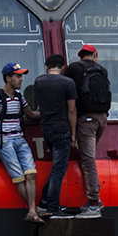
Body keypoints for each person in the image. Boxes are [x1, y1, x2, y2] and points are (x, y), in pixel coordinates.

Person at [0, 63, 43, 224]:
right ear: (8, 78)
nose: (21, 79)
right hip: (4, 141)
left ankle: (32, 211)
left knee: (31, 173)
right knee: (19, 177)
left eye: (21, 76)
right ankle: (34, 210)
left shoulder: (19, 96)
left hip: (19, 139)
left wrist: (51, 112)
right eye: (17, 76)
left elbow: (31, 114)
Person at [64, 44, 110, 215]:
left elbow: (70, 100)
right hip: (102, 119)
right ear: (95, 55)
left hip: (86, 120)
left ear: (81, 56)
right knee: (89, 157)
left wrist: (72, 130)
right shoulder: (102, 70)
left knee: (88, 160)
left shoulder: (73, 69)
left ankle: (94, 202)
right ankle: (93, 200)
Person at [33, 54, 78, 217]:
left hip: (46, 129)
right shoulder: (68, 83)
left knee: (56, 167)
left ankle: (45, 202)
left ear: (46, 66)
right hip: (61, 128)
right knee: (59, 169)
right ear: (63, 66)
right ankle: (52, 207)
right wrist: (73, 133)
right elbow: (71, 110)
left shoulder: (39, 81)